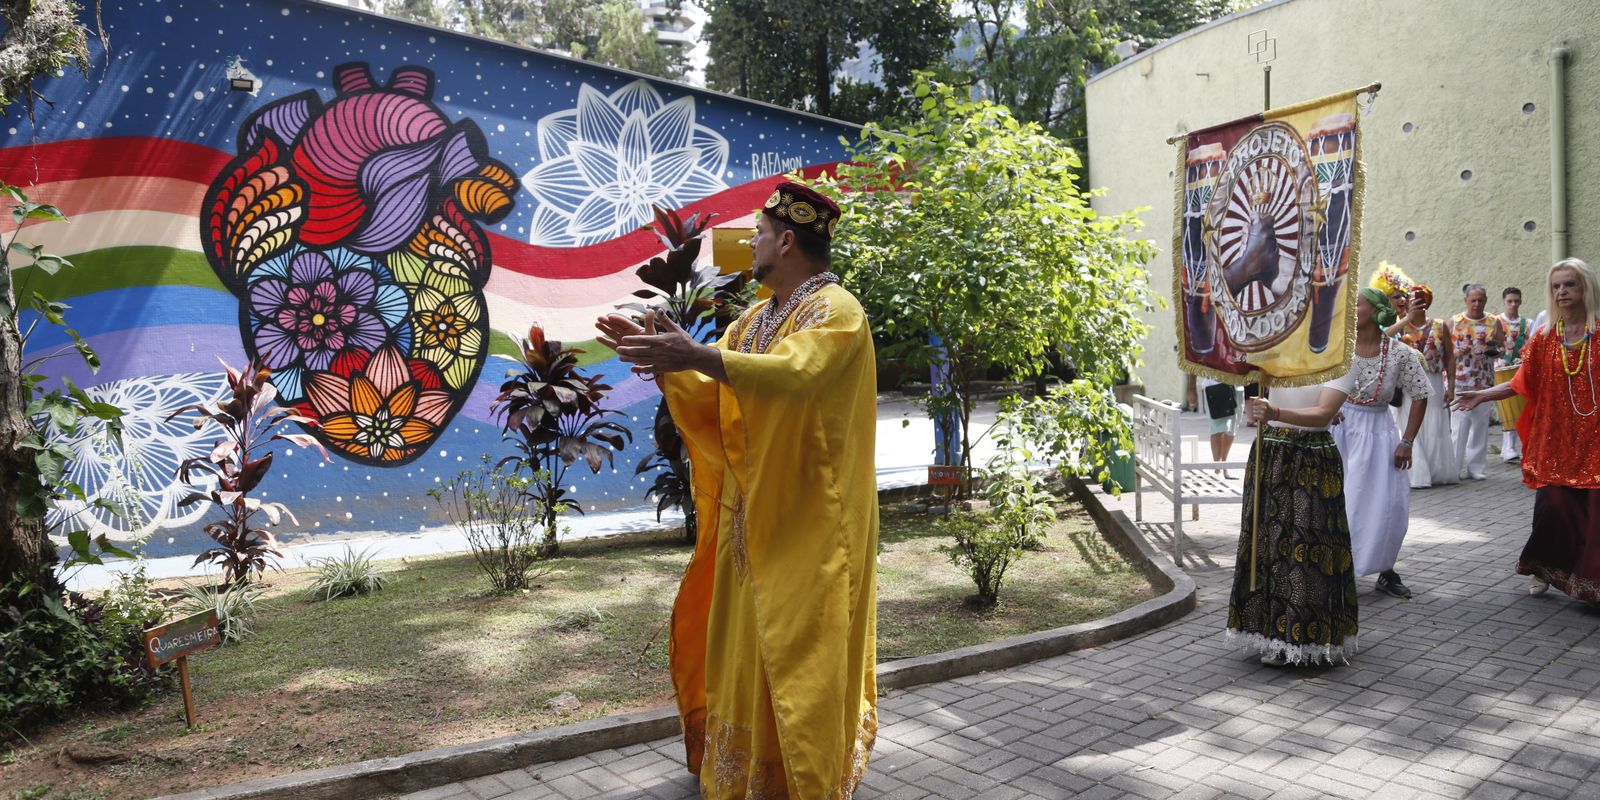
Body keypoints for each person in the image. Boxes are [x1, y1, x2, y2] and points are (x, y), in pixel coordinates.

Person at [595, 181, 879, 798]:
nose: (748, 243)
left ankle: (803, 779)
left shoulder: (837, 312)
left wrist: (693, 353)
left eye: (756, 234)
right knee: (747, 651)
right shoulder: (755, 317)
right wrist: (670, 360)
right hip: (751, 522)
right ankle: (748, 778)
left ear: (786, 240)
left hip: (809, 523)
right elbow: (714, 385)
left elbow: (796, 376)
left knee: (802, 655)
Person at [1457, 258, 1600, 602]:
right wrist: (1483, 394)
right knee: (1553, 507)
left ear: (1586, 289)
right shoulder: (1545, 338)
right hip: (1556, 440)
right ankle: (1542, 567)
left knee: (1593, 513)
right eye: (1556, 286)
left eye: (1570, 284)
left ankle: (1589, 583)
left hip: (1595, 439)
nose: (1562, 291)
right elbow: (1522, 381)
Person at [1229, 373, 1359, 666]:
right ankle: (1271, 632)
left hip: (1311, 459)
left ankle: (1304, 637)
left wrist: (1275, 412)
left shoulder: (1340, 357)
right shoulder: (1280, 354)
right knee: (1269, 546)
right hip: (1271, 452)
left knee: (1308, 548)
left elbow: (1323, 413)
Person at [1332, 289, 1432, 599]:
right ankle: (1335, 568)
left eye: (1357, 304)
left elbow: (1421, 394)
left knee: (1385, 504)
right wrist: (1328, 405)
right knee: (1340, 501)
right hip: (1339, 430)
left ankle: (1386, 570)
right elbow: (1315, 380)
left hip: (1379, 431)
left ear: (1375, 311)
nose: (1351, 308)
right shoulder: (1336, 348)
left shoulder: (1400, 353)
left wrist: (1407, 440)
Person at [1397, 285, 1461, 488]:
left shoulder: (1440, 325)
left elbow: (1450, 357)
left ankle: (1437, 471)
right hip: (1406, 383)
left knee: (1434, 425)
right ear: (1406, 302)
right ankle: (1417, 474)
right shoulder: (1400, 326)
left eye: (1422, 300)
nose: (1417, 303)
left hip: (1433, 380)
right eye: (1413, 299)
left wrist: (1451, 387)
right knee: (1409, 423)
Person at [1450, 283, 1507, 479]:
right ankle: (1454, 468)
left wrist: (1492, 351)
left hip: (1484, 381)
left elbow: (1501, 347)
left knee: (1480, 425)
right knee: (1460, 425)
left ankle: (1476, 467)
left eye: (1480, 300)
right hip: (1460, 380)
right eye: (1473, 300)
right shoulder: (1455, 321)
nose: (1477, 304)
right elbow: (1446, 352)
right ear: (1465, 300)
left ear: (1486, 301)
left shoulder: (1493, 321)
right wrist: (1459, 351)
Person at [1498, 286, 1533, 462]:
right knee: (1506, 407)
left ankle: (1517, 446)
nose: (1513, 304)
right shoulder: (1496, 321)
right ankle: (1507, 446)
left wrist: (1525, 358)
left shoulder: (1528, 323)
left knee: (1519, 406)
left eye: (1516, 301)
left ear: (1520, 301)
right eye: (1509, 301)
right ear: (1504, 302)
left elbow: (1532, 345)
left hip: (1519, 368)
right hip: (1500, 369)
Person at [1200, 378, 1238, 473]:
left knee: (1231, 429)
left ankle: (1224, 464)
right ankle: (1217, 467)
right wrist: (1191, 386)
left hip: (1237, 384)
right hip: (1215, 384)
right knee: (1217, 429)